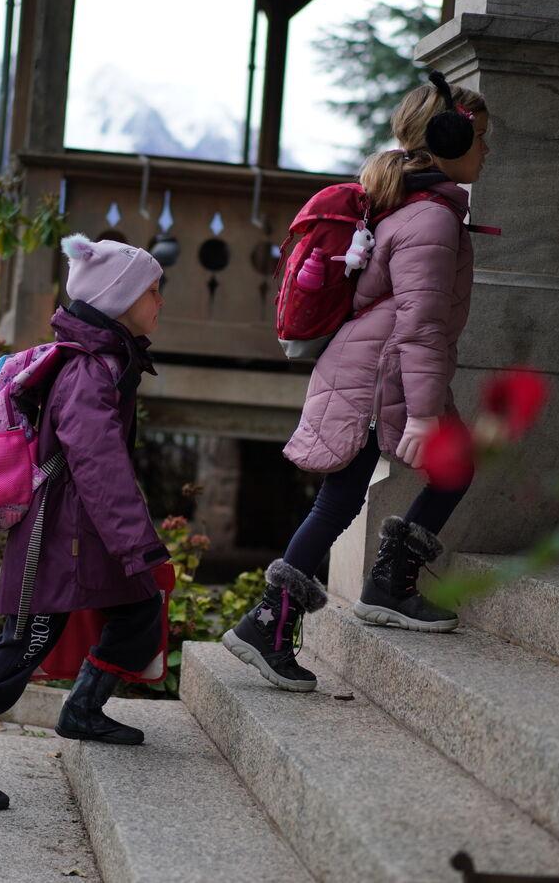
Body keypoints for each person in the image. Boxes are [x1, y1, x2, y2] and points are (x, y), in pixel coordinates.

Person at [224, 72, 491, 692]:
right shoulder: (432, 220)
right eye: (483, 140)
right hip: (383, 375)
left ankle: (372, 589)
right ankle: (277, 619)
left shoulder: (417, 206)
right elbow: (421, 325)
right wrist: (423, 415)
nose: (488, 153)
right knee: (349, 494)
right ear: (452, 139)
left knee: (350, 493)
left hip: (373, 368)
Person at [0, 234, 170, 811]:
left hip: (87, 532)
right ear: (119, 300)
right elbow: (99, 463)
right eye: (153, 291)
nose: (161, 302)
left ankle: (83, 708)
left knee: (140, 608)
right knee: (25, 641)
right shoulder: (88, 371)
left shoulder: (110, 360)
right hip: (55, 535)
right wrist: (138, 541)